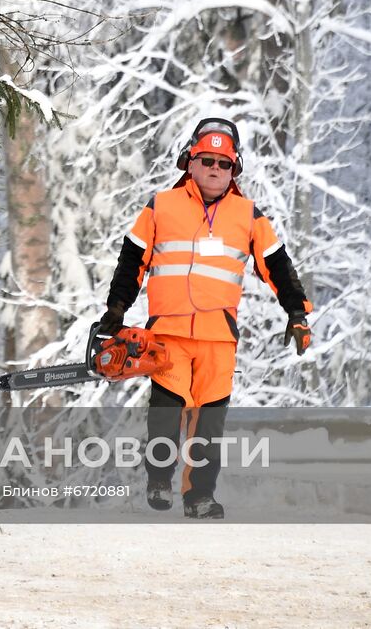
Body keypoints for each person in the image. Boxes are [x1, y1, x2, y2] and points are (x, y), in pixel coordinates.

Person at [97, 117, 313, 519]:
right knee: (167, 409)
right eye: (207, 160)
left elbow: (277, 265)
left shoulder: (248, 215)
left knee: (209, 423)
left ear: (235, 169)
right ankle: (159, 479)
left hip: (219, 337)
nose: (216, 168)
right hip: (169, 332)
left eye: (224, 163)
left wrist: (297, 311)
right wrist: (117, 307)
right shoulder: (160, 206)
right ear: (189, 163)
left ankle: (199, 496)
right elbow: (132, 260)